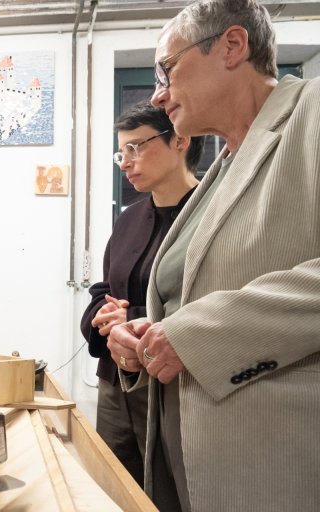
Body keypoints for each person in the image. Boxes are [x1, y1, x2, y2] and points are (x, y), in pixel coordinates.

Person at [106, 1, 320, 510]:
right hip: (190, 455)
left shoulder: (311, 113)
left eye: (168, 69)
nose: (159, 92)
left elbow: (203, 328)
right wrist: (148, 335)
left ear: (231, 47)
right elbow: (191, 296)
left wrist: (196, 336)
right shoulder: (225, 162)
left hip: (274, 463)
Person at [81, 100, 203, 486]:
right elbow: (103, 290)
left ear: (179, 140)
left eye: (136, 147)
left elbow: (210, 303)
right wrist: (103, 316)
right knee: (114, 486)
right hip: (115, 381)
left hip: (174, 387)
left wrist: (130, 317)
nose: (125, 161)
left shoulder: (209, 213)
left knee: (169, 488)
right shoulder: (129, 217)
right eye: (122, 151)